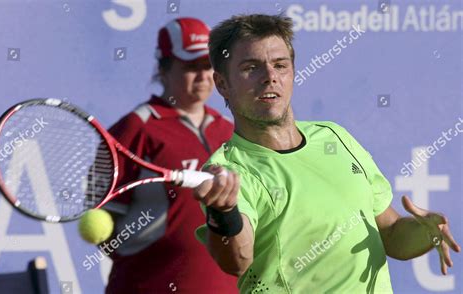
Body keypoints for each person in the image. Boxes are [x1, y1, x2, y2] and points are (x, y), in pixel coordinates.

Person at [193, 14, 461, 293]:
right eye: (252, 68)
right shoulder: (228, 170)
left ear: (293, 72)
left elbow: (391, 234)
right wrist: (224, 213)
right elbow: (237, 260)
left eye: (280, 65)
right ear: (222, 83)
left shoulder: (334, 136)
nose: (270, 77)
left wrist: (426, 232)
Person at [104, 17, 237, 293]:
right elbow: (105, 229)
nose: (202, 77)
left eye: (207, 66)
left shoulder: (230, 131)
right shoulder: (133, 129)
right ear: (163, 68)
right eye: (190, 67)